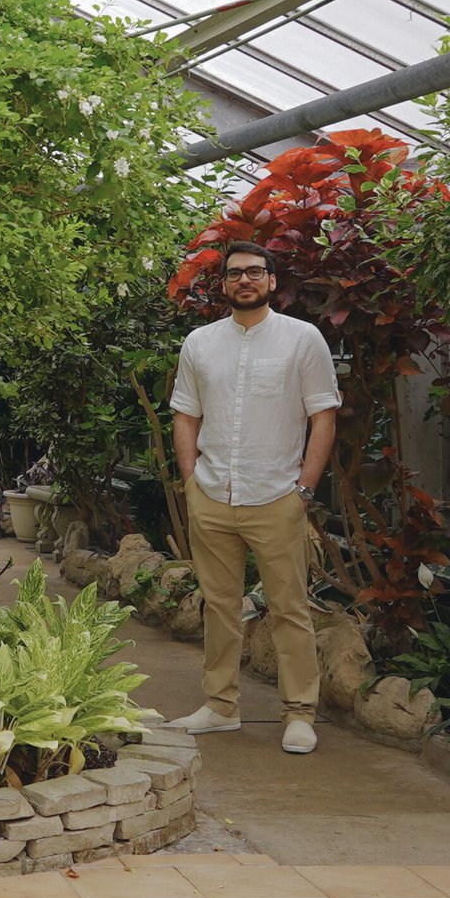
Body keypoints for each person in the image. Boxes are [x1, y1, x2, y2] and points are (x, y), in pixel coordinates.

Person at [163, 241, 339, 755]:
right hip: (213, 493)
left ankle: (300, 712)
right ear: (223, 284)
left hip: (276, 495)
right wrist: (191, 478)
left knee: (288, 608)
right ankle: (220, 707)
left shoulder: (302, 340)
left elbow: (323, 415)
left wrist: (304, 489)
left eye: (255, 272)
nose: (245, 280)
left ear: (272, 281)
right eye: (236, 273)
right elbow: (186, 414)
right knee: (219, 606)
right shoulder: (199, 342)